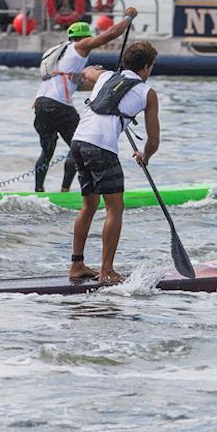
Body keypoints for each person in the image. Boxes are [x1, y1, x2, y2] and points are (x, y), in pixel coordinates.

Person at [68, 41, 160, 283]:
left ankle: (76, 266)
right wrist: (145, 156)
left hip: (78, 141)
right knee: (115, 208)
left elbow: (86, 72)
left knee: (89, 205)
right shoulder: (147, 93)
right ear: (146, 68)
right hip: (101, 147)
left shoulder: (105, 76)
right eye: (151, 67)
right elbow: (153, 140)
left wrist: (96, 69)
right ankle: (106, 271)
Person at [33, 7, 138, 192]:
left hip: (41, 105)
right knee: (79, 145)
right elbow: (109, 35)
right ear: (83, 38)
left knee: (47, 151)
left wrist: (107, 82)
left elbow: (76, 85)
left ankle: (38, 191)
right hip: (60, 107)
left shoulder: (55, 53)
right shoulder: (79, 47)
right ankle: (64, 190)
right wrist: (128, 19)